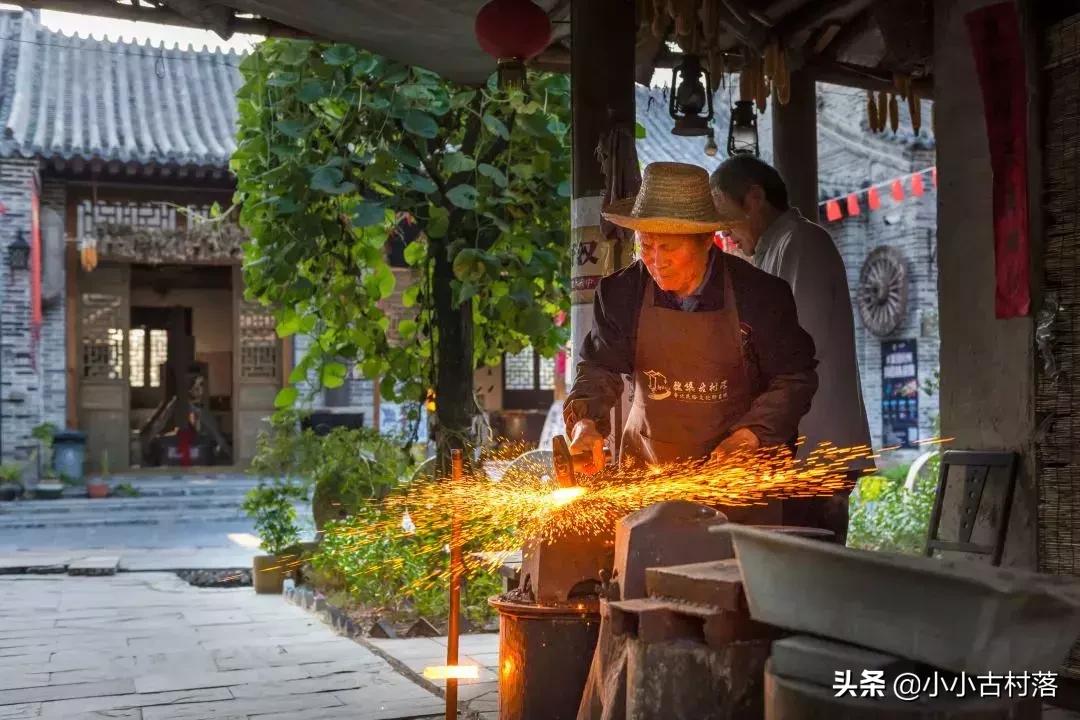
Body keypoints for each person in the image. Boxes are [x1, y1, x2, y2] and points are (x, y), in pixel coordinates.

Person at [563, 161, 818, 492]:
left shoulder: (760, 295)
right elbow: (599, 367)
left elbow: (794, 378)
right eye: (646, 245)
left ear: (707, 240)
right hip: (648, 475)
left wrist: (750, 436)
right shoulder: (620, 293)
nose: (656, 260)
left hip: (737, 480)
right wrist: (585, 424)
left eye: (668, 247)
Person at [710, 155, 875, 544]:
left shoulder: (801, 242)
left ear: (754, 197)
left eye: (724, 213)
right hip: (792, 441)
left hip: (817, 442)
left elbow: (797, 347)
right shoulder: (768, 250)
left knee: (815, 564)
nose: (724, 232)